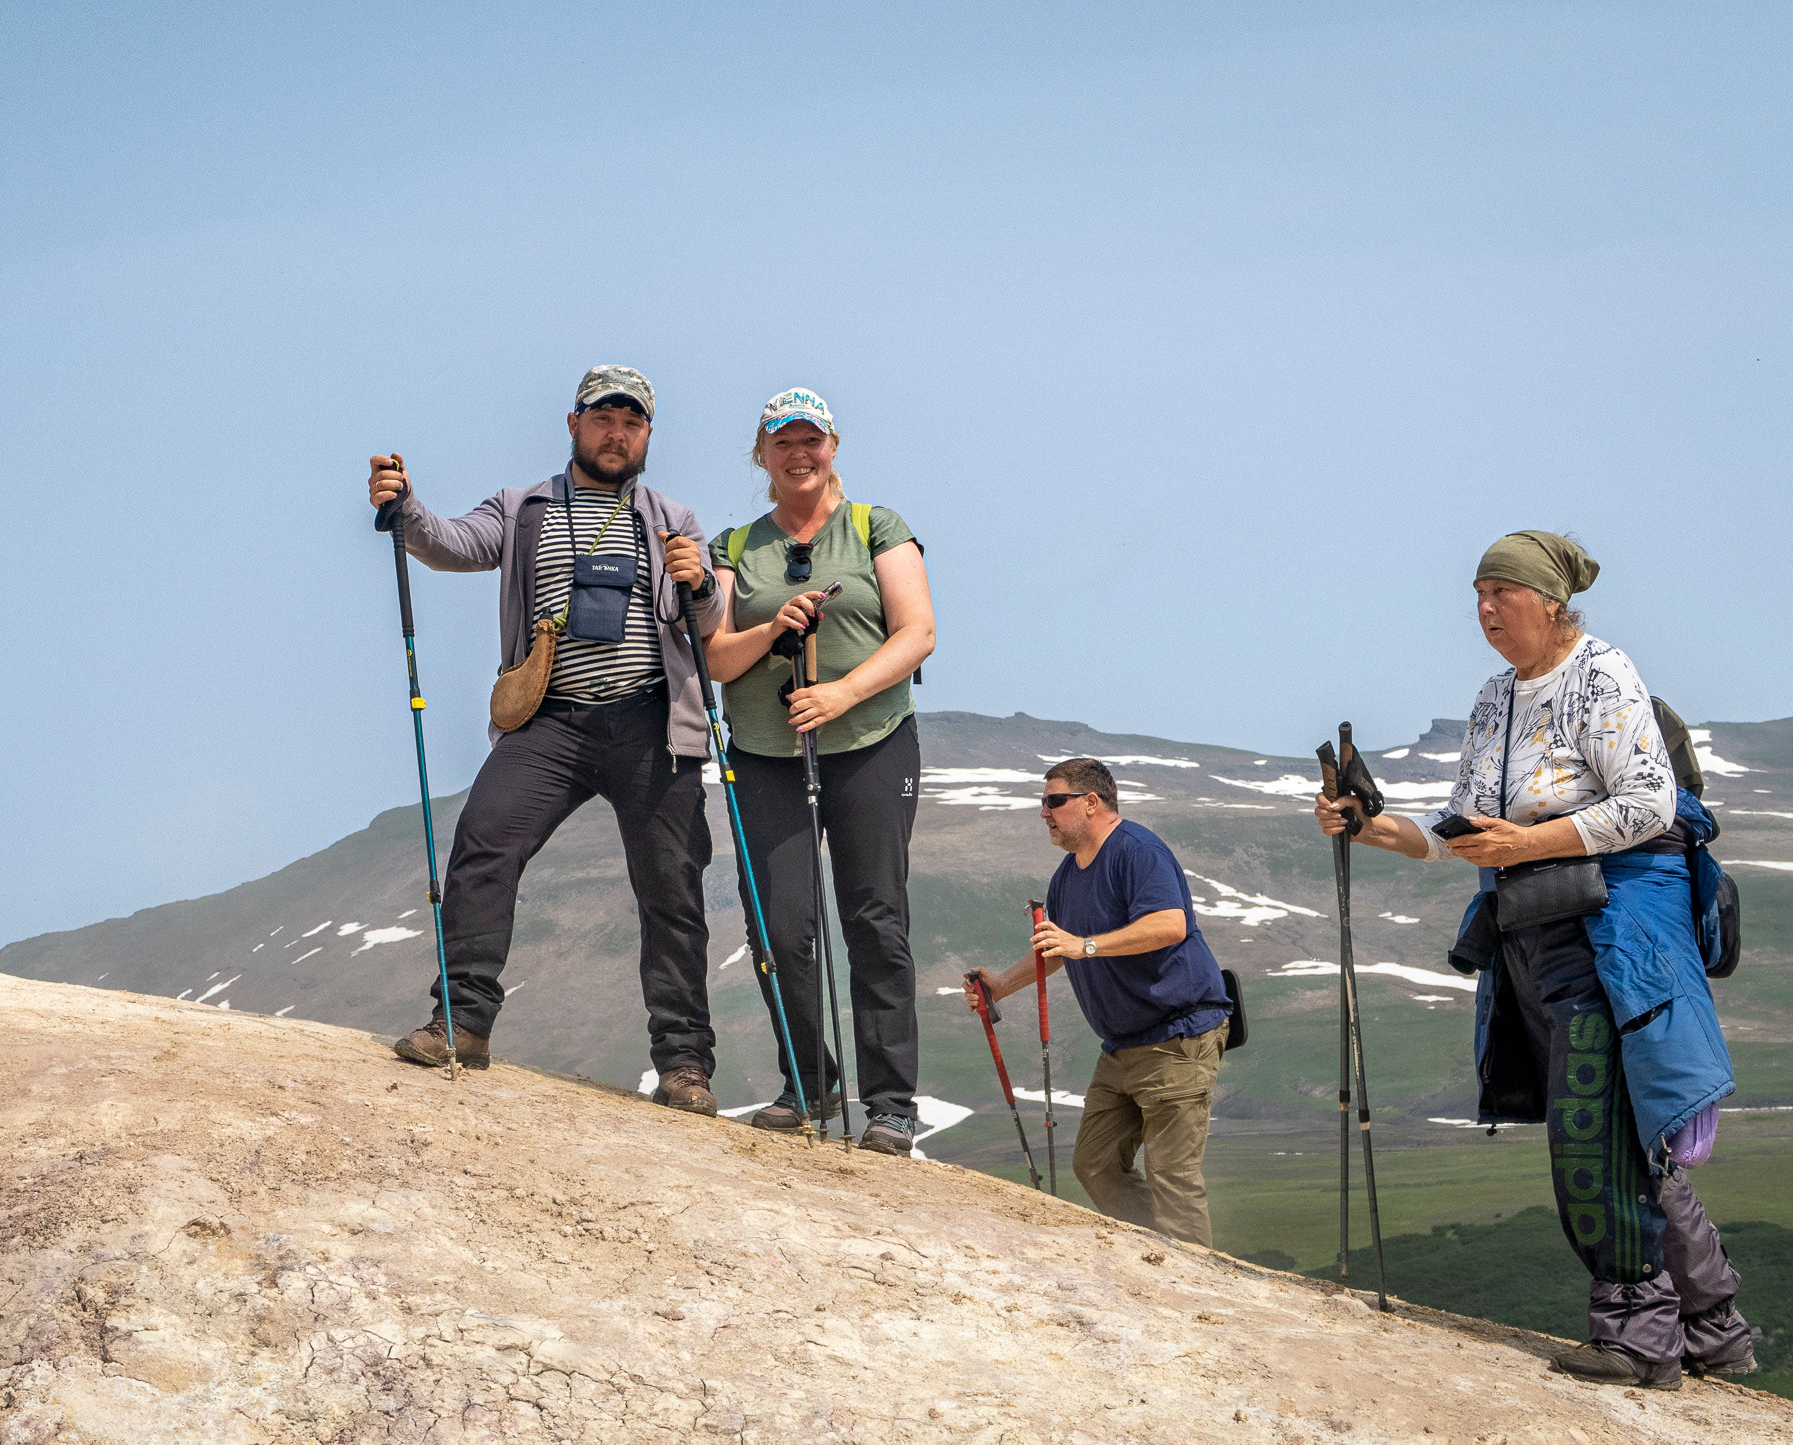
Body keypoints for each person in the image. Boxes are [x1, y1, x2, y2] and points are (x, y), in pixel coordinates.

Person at [1314, 530, 1753, 1389]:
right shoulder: (1493, 699)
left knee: (1589, 1130)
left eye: (1500, 593)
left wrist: (1529, 839)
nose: (1483, 610)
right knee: (1621, 1134)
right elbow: (1462, 837)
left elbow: (1645, 803)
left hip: (1610, 932)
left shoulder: (1602, 674)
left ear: (1550, 602)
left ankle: (1639, 1337)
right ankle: (1710, 1325)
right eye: (1476, 594)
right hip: (1530, 930)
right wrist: (1369, 824)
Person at [364, 366, 728, 1113]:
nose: (616, 432)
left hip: (649, 720)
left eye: (632, 421)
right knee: (484, 841)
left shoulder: (675, 518)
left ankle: (685, 1065)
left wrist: (700, 583)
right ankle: (462, 1021)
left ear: (649, 435)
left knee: (673, 890)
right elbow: (454, 545)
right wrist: (406, 508)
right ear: (573, 424)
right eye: (603, 418)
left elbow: (710, 618)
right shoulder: (524, 507)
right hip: (548, 719)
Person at [699, 388, 935, 1155]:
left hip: (871, 740)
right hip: (767, 755)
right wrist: (773, 627)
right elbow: (717, 656)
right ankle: (809, 1079)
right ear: (761, 454)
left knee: (873, 917)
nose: (798, 453)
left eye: (811, 439)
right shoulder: (737, 543)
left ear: (833, 445)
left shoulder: (876, 526)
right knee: (781, 926)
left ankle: (892, 1102)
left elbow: (918, 632)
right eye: (782, 441)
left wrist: (841, 692)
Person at [966, 758, 1231, 1244]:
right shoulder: (1067, 876)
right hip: (1122, 1046)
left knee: (1172, 1176)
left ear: (1092, 803)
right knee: (1095, 1162)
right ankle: (1163, 1258)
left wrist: (1085, 945)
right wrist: (1000, 985)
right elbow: (1056, 950)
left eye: (1053, 801)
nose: (1044, 813)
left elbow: (1170, 924)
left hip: (1178, 1035)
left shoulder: (1136, 851)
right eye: (1043, 803)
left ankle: (1196, 1290)